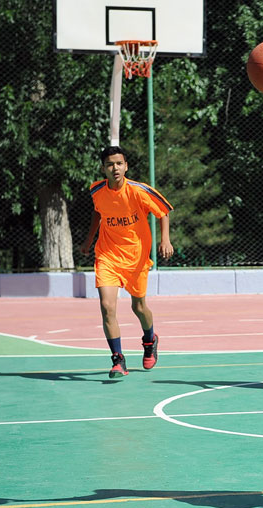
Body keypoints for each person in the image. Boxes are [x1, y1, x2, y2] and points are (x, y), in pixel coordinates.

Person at [80, 145, 174, 378]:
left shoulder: (139, 191)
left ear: (126, 166)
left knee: (138, 307)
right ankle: (118, 359)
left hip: (136, 258)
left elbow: (163, 212)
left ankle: (150, 340)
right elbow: (97, 212)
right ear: (103, 168)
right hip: (108, 256)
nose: (115, 168)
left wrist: (166, 240)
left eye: (119, 163)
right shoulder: (97, 191)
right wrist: (89, 240)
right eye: (110, 164)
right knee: (107, 307)